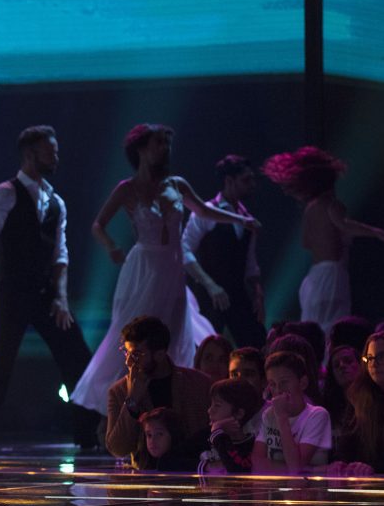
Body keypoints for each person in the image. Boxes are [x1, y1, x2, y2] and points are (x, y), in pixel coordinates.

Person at [71, 124, 258, 415]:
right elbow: (98, 224)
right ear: (141, 149)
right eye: (159, 143)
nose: (165, 149)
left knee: (172, 333)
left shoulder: (177, 184)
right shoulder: (127, 188)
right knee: (136, 335)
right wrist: (111, 246)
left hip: (172, 268)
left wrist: (240, 220)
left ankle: (169, 407)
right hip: (144, 268)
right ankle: (125, 406)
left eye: (167, 143)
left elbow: (203, 210)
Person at [0, 125, 98, 452]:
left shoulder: (56, 201)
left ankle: (88, 435)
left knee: (77, 355)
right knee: (1, 362)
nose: (56, 157)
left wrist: (61, 297)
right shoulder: (3, 194)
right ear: (30, 155)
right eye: (50, 152)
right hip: (14, 290)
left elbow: (60, 253)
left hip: (46, 292)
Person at [262, 146, 384, 333]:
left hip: (314, 279)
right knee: (333, 330)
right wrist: (377, 232)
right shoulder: (332, 204)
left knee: (314, 331)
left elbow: (306, 242)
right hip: (331, 276)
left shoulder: (311, 208)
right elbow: (344, 225)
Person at [182, 155, 266, 348]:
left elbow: (250, 263)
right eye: (246, 180)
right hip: (209, 296)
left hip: (237, 293)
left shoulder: (247, 217)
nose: (252, 185)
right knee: (204, 348)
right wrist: (210, 284)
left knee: (256, 344)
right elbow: (184, 249)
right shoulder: (206, 211)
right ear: (229, 181)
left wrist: (258, 293)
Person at [105, 316, 211, 467]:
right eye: (126, 353)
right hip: (146, 476)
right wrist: (132, 400)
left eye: (136, 355)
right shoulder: (118, 391)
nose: (129, 362)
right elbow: (118, 449)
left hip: (193, 472)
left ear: (160, 354)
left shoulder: (199, 384)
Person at [251, 351, 331, 474]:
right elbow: (257, 463)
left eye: (284, 382)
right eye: (272, 384)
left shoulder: (317, 415)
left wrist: (282, 417)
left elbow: (295, 467)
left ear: (303, 383)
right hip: (275, 486)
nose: (278, 390)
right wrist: (311, 470)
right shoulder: (269, 414)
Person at [328, 331, 384, 476]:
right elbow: (347, 445)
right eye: (370, 358)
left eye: (382, 357)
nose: (374, 364)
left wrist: (374, 469)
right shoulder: (359, 399)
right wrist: (340, 464)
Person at [199, 378, 264, 474]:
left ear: (239, 414)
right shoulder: (205, 436)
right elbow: (177, 461)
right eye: (211, 404)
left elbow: (237, 470)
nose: (209, 410)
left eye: (217, 405)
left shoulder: (251, 445)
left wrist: (217, 433)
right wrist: (206, 466)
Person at [322, 345, 359, 437]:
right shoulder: (328, 408)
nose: (342, 366)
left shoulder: (376, 400)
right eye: (336, 365)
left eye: (348, 361)